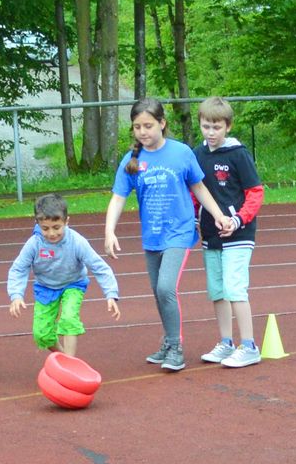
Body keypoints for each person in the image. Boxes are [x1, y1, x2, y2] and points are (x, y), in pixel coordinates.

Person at [104, 98, 225, 373]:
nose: (143, 132)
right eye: (137, 127)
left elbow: (199, 188)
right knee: (158, 293)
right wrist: (109, 231)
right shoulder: (132, 160)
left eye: (148, 126)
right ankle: (169, 341)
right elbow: (118, 197)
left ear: (162, 123)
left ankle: (175, 348)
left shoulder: (181, 153)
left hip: (179, 232)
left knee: (165, 288)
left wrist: (218, 215)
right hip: (152, 236)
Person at [192, 97, 267, 368]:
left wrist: (237, 220)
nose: (210, 133)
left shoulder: (238, 154)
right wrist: (194, 217)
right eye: (206, 126)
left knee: (235, 288)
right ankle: (226, 342)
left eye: (216, 127)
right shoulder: (197, 155)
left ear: (228, 126)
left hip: (238, 234)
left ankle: (249, 345)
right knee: (217, 290)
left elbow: (255, 193)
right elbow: (195, 191)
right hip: (210, 234)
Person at [6, 193, 121, 357]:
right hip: (45, 287)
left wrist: (111, 294)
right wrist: (16, 295)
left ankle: (70, 363)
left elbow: (100, 267)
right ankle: (64, 358)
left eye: (56, 227)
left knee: (68, 319)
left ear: (66, 222)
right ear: (37, 224)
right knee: (41, 334)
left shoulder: (77, 242)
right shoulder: (34, 244)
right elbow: (18, 269)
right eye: (45, 228)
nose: (51, 233)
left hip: (73, 284)